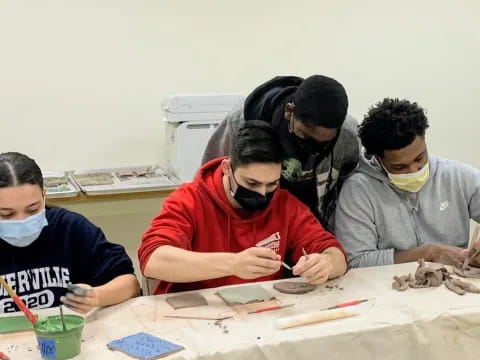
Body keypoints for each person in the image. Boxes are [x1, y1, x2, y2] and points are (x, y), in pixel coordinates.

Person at [139, 121, 347, 294]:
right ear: (227, 168)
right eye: (252, 184)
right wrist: (233, 264)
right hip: (197, 316)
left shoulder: (285, 205)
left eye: (272, 184)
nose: (262, 194)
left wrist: (325, 264)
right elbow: (153, 259)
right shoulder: (190, 200)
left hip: (261, 314)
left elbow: (335, 254)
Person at [335, 98, 480, 268]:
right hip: (388, 288)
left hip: (454, 286)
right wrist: (430, 253)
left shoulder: (457, 176)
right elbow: (357, 261)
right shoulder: (358, 191)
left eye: (420, 158)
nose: (414, 171)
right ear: (378, 159)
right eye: (399, 167)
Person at [202, 75, 359, 230]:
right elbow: (212, 173)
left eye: (323, 142)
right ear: (289, 111)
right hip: (248, 220)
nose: (312, 147)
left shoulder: (347, 133)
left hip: (309, 222)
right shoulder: (241, 121)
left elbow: (349, 180)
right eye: (305, 136)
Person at [0, 152, 140, 313]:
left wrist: (97, 296)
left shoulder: (70, 228)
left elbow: (130, 284)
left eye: (33, 210)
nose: (22, 221)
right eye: (6, 214)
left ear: (44, 197)